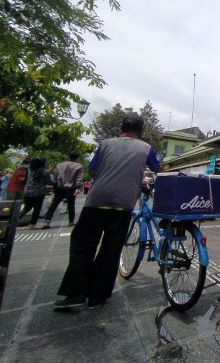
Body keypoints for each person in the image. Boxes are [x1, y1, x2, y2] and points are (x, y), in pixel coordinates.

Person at [54, 113, 160, 310]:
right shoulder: (147, 148)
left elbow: (93, 170)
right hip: (123, 204)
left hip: (96, 201)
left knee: (83, 246)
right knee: (110, 250)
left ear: (121, 127)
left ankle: (75, 293)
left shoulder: (105, 144)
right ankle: (97, 297)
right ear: (140, 130)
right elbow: (156, 167)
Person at [43, 151, 83, 228]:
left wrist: (54, 186)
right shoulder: (78, 166)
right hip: (71, 188)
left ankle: (46, 222)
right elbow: (79, 178)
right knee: (71, 205)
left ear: (69, 156)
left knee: (54, 204)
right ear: (77, 158)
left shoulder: (60, 165)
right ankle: (71, 222)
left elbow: (55, 176)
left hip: (59, 187)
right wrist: (79, 187)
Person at [20, 158, 52, 229]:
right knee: (37, 209)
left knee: (27, 208)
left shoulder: (29, 170)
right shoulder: (44, 171)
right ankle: (32, 224)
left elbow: (25, 181)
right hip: (39, 193)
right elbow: (49, 182)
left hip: (27, 192)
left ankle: (15, 221)